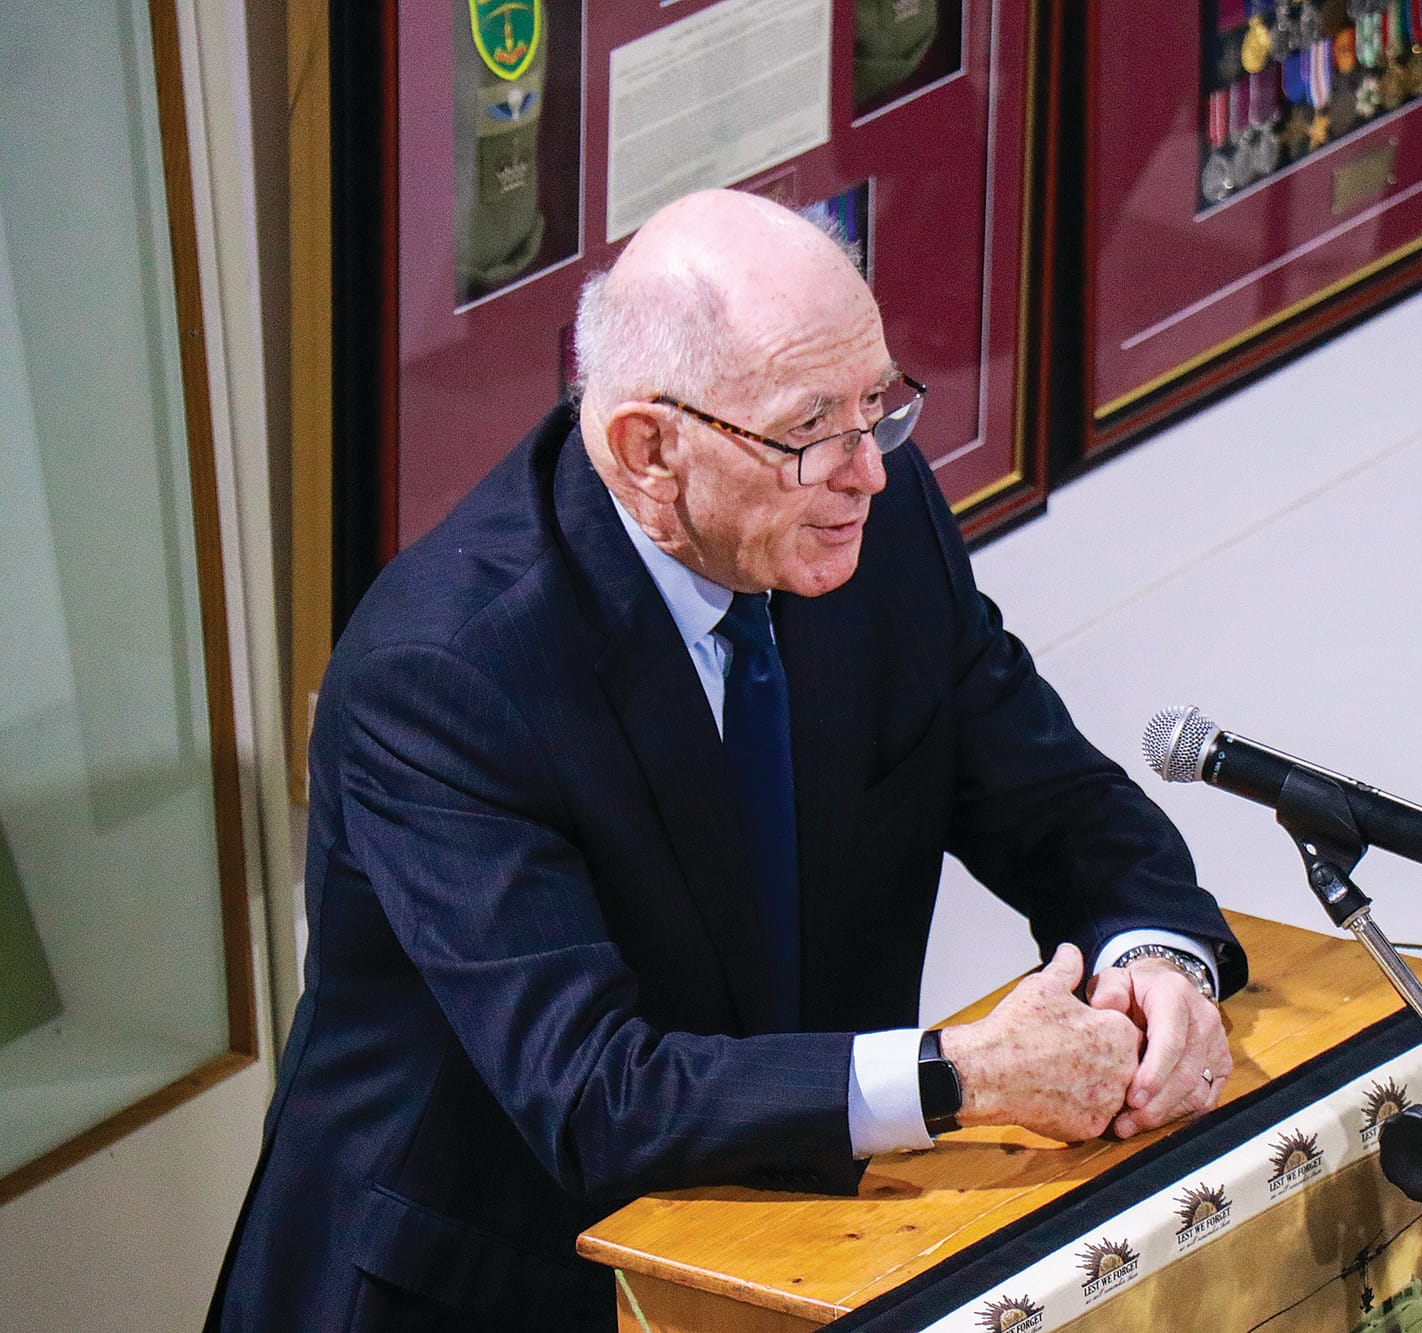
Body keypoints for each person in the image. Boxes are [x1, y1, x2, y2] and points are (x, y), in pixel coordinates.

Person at [206, 190, 1246, 1331]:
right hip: (486, 1284)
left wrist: (1157, 958)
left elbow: (1059, 805)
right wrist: (960, 1073)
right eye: (813, 428)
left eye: (878, 404)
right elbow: (595, 1093)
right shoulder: (447, 676)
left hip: (784, 1247)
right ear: (649, 449)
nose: (869, 469)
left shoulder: (875, 525)